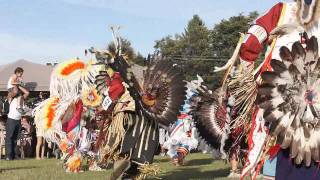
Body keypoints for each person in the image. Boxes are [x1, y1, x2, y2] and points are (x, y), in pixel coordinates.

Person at [234, 0, 320, 179]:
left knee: (292, 152)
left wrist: (250, 77)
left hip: (283, 102)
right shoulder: (281, 11)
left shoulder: (281, 11)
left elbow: (251, 42)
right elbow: (252, 41)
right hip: (291, 101)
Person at [5, 89, 28, 160]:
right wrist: (17, 85)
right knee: (10, 138)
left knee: (15, 139)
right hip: (11, 120)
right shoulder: (12, 98)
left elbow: (27, 92)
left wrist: (20, 86)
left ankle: (14, 155)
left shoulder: (22, 99)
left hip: (18, 120)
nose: (20, 95)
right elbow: (13, 92)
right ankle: (8, 156)